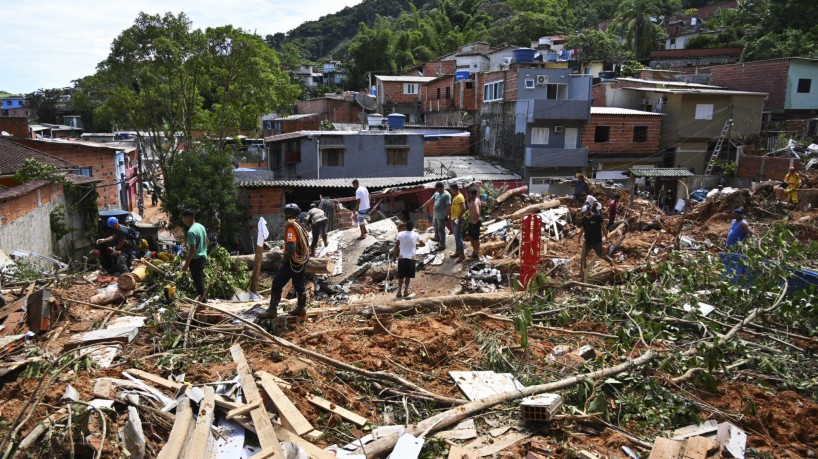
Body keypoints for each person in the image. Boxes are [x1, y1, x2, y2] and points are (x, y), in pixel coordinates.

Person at [258, 203, 310, 320]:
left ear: (288, 214)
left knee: (277, 283)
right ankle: (301, 309)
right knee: (300, 285)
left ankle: (272, 310)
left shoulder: (291, 227)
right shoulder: (301, 225)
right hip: (302, 262)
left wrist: (284, 259)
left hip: (292, 262)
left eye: (285, 213)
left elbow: (291, 246)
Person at [578, 204, 615, 282]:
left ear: (589, 210)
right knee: (583, 257)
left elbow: (603, 227)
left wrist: (606, 237)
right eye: (583, 212)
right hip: (587, 242)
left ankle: (611, 261)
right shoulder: (584, 219)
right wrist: (579, 238)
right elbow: (582, 228)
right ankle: (582, 272)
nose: (584, 213)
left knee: (600, 255)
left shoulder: (597, 217)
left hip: (597, 241)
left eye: (585, 212)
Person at [180, 209, 208, 302]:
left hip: (196, 260)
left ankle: (203, 303)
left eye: (184, 218)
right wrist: (203, 250)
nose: (184, 221)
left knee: (198, 283)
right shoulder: (201, 227)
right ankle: (202, 300)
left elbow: (192, 250)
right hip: (203, 257)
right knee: (200, 281)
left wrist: (186, 265)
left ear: (189, 217)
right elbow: (207, 242)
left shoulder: (191, 231)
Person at [392, 221, 425, 298]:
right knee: (408, 276)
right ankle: (406, 291)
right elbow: (423, 244)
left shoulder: (400, 234)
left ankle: (399, 291)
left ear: (405, 226)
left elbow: (397, 246)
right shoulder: (416, 234)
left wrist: (394, 255)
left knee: (401, 275)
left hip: (402, 257)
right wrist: (415, 244)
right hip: (411, 257)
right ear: (413, 227)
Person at [422, 182, 451, 251]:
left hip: (442, 216)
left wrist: (446, 215)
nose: (437, 190)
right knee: (435, 227)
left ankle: (442, 244)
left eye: (437, 189)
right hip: (436, 215)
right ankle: (437, 237)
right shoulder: (437, 193)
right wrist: (423, 206)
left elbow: (449, 206)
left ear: (441, 187)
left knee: (441, 230)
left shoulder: (447, 195)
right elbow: (430, 201)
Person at [449, 183, 467, 262]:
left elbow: (464, 208)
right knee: (456, 237)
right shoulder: (456, 196)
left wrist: (458, 218)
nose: (451, 191)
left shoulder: (460, 197)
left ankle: (462, 255)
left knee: (458, 238)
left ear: (455, 189)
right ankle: (457, 252)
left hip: (458, 220)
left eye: (451, 190)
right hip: (454, 219)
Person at [467, 187, 482, 259]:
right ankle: (475, 251)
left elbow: (477, 213)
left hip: (475, 222)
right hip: (471, 222)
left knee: (475, 239)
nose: (468, 196)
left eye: (469, 194)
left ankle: (476, 253)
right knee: (470, 237)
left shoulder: (476, 202)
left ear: (473, 195)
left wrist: (474, 221)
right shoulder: (471, 201)